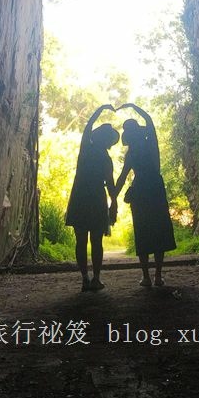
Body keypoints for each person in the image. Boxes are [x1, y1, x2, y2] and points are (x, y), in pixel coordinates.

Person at [115, 102, 176, 287]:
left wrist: (113, 197)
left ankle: (146, 276)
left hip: (140, 189)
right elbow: (149, 120)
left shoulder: (131, 153)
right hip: (155, 188)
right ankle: (157, 275)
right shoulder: (151, 145)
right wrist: (135, 107)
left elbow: (122, 177)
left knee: (142, 231)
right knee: (159, 230)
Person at [65, 103, 119, 291]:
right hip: (96, 198)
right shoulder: (106, 158)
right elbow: (110, 184)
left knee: (81, 240)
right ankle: (95, 278)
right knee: (96, 241)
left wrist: (100, 110)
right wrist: (114, 203)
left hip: (80, 196)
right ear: (109, 142)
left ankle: (85, 278)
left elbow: (88, 126)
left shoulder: (86, 150)